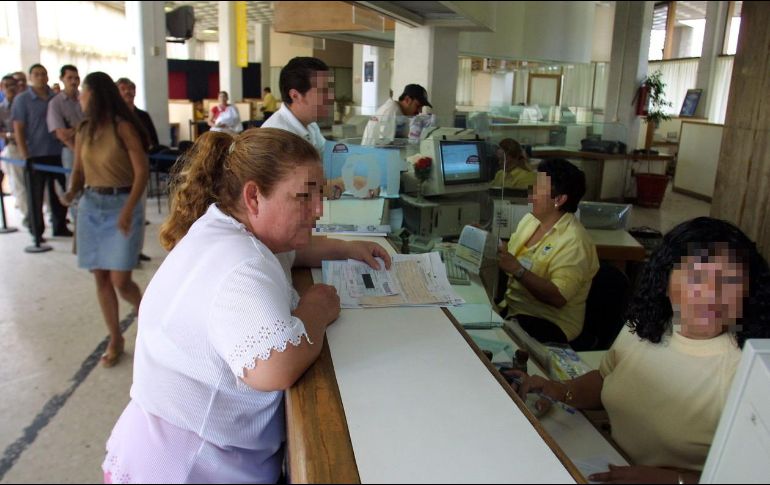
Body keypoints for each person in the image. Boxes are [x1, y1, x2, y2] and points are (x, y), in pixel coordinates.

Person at [101, 127, 391, 483]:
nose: (318, 209)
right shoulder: (242, 263)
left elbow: (293, 249)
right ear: (254, 196)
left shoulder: (224, 227)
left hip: (161, 444)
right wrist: (316, 309)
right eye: (304, 196)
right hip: (192, 465)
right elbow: (275, 366)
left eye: (320, 194)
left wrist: (347, 248)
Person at [510, 217, 770, 484]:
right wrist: (561, 391)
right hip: (608, 458)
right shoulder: (648, 325)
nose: (711, 294)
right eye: (696, 276)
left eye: (729, 280)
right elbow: (606, 379)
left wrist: (672, 481)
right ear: (665, 280)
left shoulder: (750, 367)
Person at [59, 72, 149, 368]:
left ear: (94, 95)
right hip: (91, 206)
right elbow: (78, 172)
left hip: (123, 203)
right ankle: (116, 337)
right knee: (100, 276)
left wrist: (127, 211)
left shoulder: (122, 127)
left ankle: (150, 317)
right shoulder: (84, 129)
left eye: (83, 92)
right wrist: (71, 192)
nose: (79, 97)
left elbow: (141, 173)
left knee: (121, 280)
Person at [497, 158, 598, 344]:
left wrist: (519, 271)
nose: (530, 195)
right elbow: (508, 260)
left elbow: (557, 297)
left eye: (537, 190)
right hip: (514, 311)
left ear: (558, 200)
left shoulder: (574, 242)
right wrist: (487, 243)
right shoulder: (531, 221)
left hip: (548, 324)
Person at [11, 63, 70, 240]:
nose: (40, 77)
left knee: (59, 192)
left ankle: (60, 226)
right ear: (30, 77)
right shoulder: (22, 100)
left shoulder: (55, 97)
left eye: (43, 74)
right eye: (36, 74)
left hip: (56, 152)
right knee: (35, 195)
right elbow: (18, 128)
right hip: (35, 154)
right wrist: (25, 153)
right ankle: (36, 231)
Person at [47, 64, 84, 186]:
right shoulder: (55, 103)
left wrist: (73, 129)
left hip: (91, 147)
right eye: (70, 78)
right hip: (70, 149)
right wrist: (81, 128)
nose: (74, 81)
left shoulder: (86, 98)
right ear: (62, 79)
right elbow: (61, 134)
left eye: (76, 78)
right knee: (73, 183)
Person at [361, 83, 433, 146]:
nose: (420, 111)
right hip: (372, 156)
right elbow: (383, 144)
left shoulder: (402, 114)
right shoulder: (391, 111)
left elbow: (402, 140)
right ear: (407, 100)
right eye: (418, 106)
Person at [0, 74, 29, 225]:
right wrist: (11, 134)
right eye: (7, 85)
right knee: (20, 184)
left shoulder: (25, 104)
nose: (11, 88)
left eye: (13, 84)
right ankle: (27, 215)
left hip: (32, 147)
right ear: (2, 88)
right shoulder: (1, 109)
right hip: (13, 148)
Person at [116, 78, 160, 153]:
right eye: (123, 89)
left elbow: (154, 140)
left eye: (130, 88)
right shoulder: (115, 116)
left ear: (135, 92)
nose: (127, 91)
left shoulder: (144, 115)